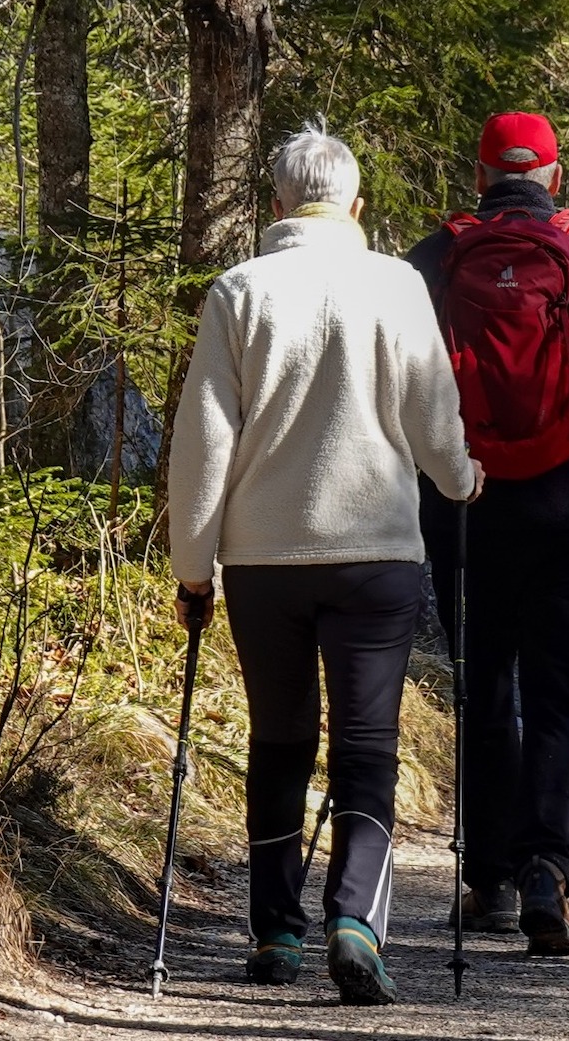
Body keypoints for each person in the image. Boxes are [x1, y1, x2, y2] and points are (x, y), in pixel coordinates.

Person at [168, 125, 484, 1005]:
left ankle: (275, 932)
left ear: (276, 203)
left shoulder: (240, 290)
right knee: (366, 747)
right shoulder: (398, 284)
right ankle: (356, 920)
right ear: (356, 203)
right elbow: (434, 411)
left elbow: (204, 441)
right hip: (377, 554)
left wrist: (195, 566)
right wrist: (461, 481)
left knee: (278, 743)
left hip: (264, 558)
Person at [407, 110, 569, 957]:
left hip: (465, 501)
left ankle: (485, 880)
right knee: (557, 693)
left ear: (480, 174)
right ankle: (547, 876)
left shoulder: (436, 257)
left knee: (483, 686)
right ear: (555, 177)